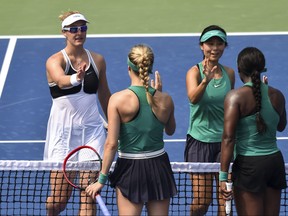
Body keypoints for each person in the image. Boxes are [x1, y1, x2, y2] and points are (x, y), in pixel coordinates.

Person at [85, 44, 177, 215]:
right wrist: (158, 97)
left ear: (129, 67)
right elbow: (170, 130)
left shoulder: (118, 100)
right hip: (159, 167)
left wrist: (101, 180)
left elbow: (111, 144)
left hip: (131, 169)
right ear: (150, 67)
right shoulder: (166, 99)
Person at [43, 11, 111, 215]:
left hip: (92, 133)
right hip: (63, 135)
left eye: (82, 28)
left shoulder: (97, 60)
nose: (79, 32)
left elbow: (105, 96)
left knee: (89, 197)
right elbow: (61, 81)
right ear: (64, 32)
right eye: (73, 29)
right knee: (58, 201)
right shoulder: (55, 61)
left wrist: (115, 124)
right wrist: (76, 78)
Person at [220, 47, 287, 215]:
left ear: (239, 69)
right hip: (274, 163)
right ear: (262, 68)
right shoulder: (277, 95)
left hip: (249, 167)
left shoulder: (235, 97)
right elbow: (281, 126)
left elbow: (228, 138)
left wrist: (223, 176)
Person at [184, 25, 235, 216]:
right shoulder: (194, 72)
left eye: (219, 43)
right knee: (201, 202)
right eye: (210, 43)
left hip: (225, 143)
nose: (215, 48)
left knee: (225, 201)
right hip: (199, 143)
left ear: (224, 46)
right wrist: (205, 80)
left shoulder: (229, 73)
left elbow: (232, 106)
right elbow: (193, 98)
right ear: (201, 46)